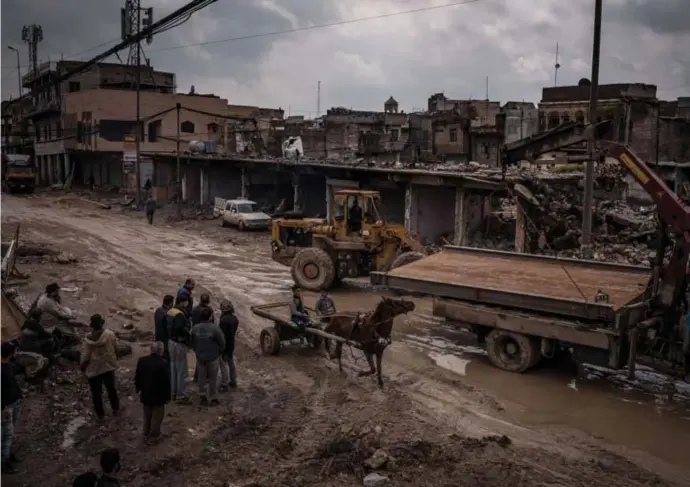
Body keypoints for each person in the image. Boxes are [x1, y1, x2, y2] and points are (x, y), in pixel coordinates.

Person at [80, 314, 120, 420]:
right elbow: (116, 348)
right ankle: (116, 409)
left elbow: (85, 357)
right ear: (102, 323)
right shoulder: (110, 334)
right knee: (111, 389)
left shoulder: (88, 340)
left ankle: (100, 415)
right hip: (108, 366)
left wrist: (83, 367)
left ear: (92, 325)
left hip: (94, 369)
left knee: (96, 393)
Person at [135, 342, 170, 445]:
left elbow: (138, 376)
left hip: (146, 393)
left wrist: (138, 388)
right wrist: (167, 396)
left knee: (147, 416)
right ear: (160, 351)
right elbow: (166, 382)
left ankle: (145, 434)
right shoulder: (163, 363)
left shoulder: (142, 361)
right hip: (158, 396)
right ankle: (153, 437)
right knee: (157, 418)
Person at [190, 307, 225, 405]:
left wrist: (196, 350)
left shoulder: (195, 328)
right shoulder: (215, 328)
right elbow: (222, 343)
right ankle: (213, 398)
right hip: (213, 356)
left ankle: (203, 397)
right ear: (210, 317)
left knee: (202, 377)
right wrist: (219, 351)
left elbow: (191, 341)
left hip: (200, 357)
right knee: (213, 377)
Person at [1, 341, 23, 474]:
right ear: (10, 353)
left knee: (10, 431)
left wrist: (19, 395)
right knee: (6, 434)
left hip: (13, 402)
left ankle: (8, 454)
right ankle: (4, 462)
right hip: (6, 406)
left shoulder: (7, 366)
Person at [167, 294, 191, 403]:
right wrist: (187, 339)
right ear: (183, 302)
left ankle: (173, 392)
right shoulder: (180, 314)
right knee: (182, 370)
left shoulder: (170, 311)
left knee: (173, 368)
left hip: (171, 342)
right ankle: (181, 395)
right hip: (179, 343)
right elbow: (181, 328)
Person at [218, 300, 239, 391]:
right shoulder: (234, 318)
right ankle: (233, 381)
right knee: (231, 362)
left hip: (225, 343)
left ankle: (224, 384)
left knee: (223, 364)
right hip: (231, 343)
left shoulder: (223, 320)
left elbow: (221, 334)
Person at [154, 295, 174, 359]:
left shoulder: (158, 310)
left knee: (158, 354)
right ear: (170, 303)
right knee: (165, 357)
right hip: (165, 338)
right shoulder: (168, 314)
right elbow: (169, 328)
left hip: (158, 336)